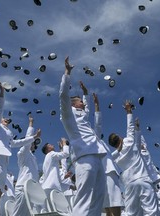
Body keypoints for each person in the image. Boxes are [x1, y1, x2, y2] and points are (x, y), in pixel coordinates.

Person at [0, 80, 42, 216]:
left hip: (3, 164)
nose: (6, 120)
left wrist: (34, 137)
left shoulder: (8, 136)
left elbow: (19, 142)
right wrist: (2, 92)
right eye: (4, 119)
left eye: (6, 120)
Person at [59, 56, 107, 216]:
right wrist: (67, 73)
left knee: (98, 200)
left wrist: (86, 96)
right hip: (84, 159)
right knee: (84, 200)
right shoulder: (68, 116)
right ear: (73, 104)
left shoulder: (82, 118)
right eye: (80, 101)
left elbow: (86, 112)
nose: (83, 104)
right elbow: (63, 97)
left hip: (98, 158)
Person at [108, 101, 159, 215]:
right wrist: (129, 111)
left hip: (129, 185)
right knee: (151, 211)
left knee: (131, 213)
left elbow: (131, 130)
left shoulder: (114, 157)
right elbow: (130, 128)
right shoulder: (130, 142)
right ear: (120, 138)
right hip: (143, 179)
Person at [93, 92, 123, 216]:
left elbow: (112, 156)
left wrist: (120, 143)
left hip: (104, 174)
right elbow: (98, 124)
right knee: (114, 201)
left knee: (108, 202)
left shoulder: (102, 146)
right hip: (108, 173)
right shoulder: (96, 140)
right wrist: (97, 106)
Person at [12, 115, 39, 216]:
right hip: (23, 187)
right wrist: (31, 124)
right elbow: (27, 141)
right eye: (31, 142)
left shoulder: (33, 157)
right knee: (17, 214)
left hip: (32, 188)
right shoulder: (22, 152)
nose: (33, 144)